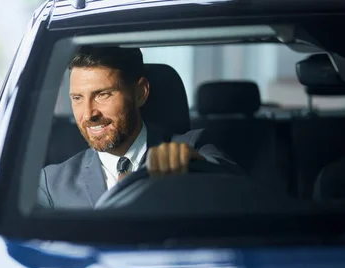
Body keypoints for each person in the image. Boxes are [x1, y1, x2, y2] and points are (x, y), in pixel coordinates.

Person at [37, 45, 238, 209]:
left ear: (140, 92)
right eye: (78, 98)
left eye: (103, 95)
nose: (89, 114)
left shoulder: (192, 147)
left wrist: (194, 167)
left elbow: (238, 189)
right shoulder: (52, 183)